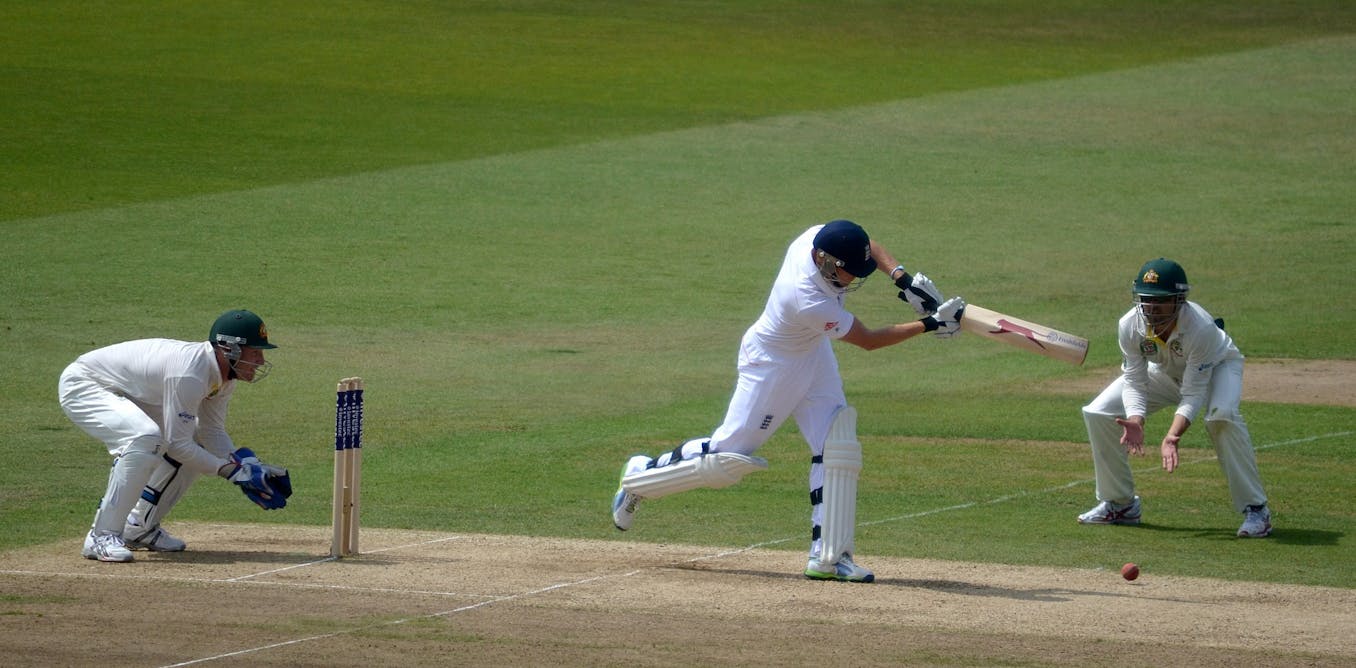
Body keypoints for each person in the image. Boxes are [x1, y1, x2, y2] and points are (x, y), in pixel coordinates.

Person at [610, 219, 966, 583]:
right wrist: (931, 324)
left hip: (811, 354)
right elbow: (869, 340)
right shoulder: (806, 298)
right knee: (726, 458)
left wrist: (902, 280)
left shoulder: (820, 238)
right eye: (849, 273)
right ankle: (641, 478)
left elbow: (866, 243)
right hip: (772, 366)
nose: (854, 280)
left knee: (837, 443)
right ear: (826, 263)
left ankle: (829, 557)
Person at [59, 309, 290, 562]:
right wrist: (231, 472)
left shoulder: (224, 378)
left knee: (194, 442)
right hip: (86, 385)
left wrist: (246, 465)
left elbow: (211, 432)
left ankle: (139, 528)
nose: (259, 360)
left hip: (131, 391)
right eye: (255, 352)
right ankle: (101, 536)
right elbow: (178, 445)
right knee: (144, 438)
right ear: (229, 349)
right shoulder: (190, 373)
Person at [1078, 258, 1272, 537]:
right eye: (1146, 300)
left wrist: (1172, 436)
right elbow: (1135, 378)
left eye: (1161, 301)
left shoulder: (1200, 328)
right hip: (1166, 372)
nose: (1152, 309)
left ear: (1179, 300)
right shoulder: (1130, 324)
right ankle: (1120, 504)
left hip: (1217, 369)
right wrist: (1136, 419)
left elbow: (1193, 392)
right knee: (1099, 412)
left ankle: (1256, 510)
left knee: (1221, 418)